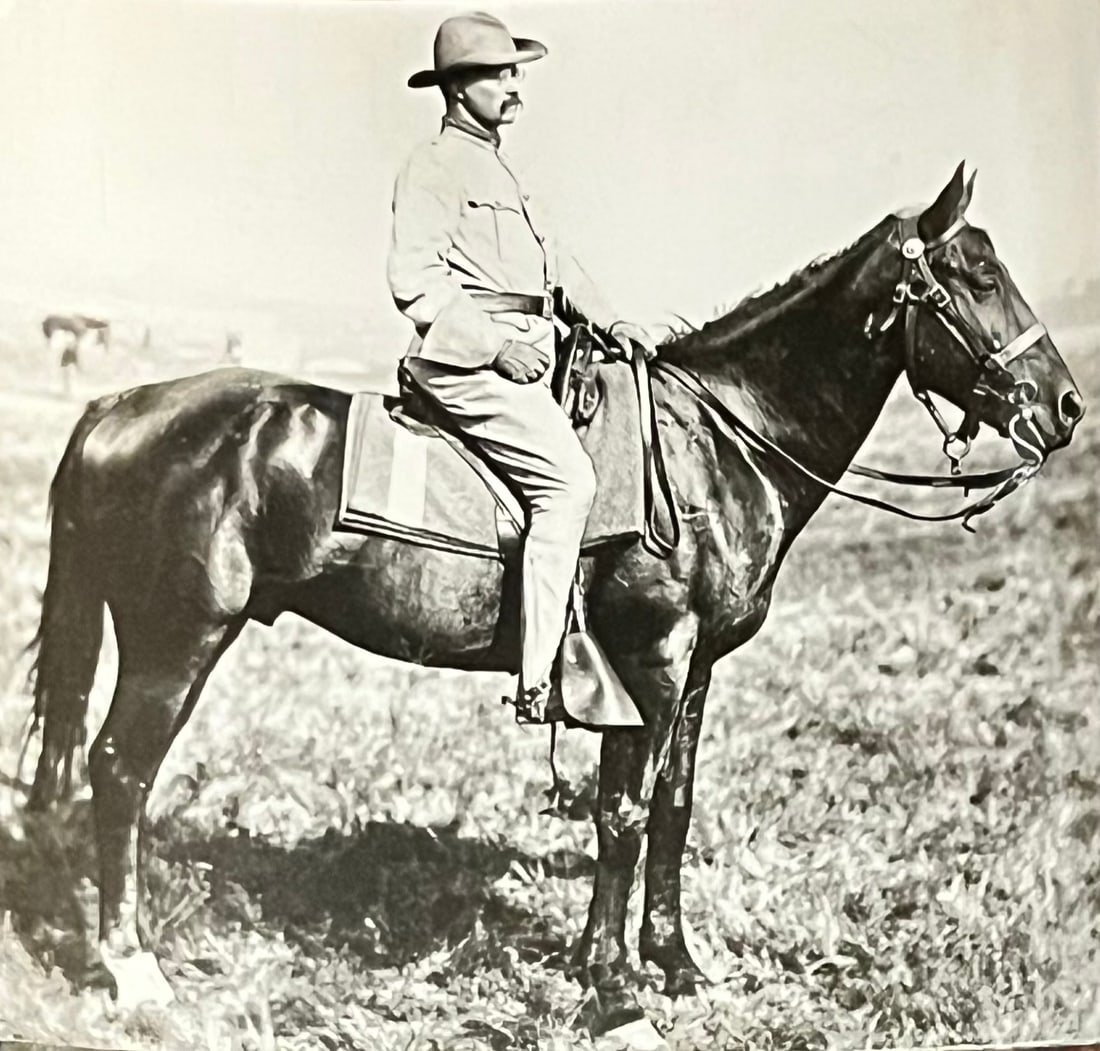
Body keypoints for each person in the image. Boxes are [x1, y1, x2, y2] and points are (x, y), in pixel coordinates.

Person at [387, 11, 655, 724]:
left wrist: (613, 319)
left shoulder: (502, 168)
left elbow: (556, 267)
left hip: (533, 358)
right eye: (499, 74)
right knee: (570, 485)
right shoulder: (433, 168)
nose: (514, 87)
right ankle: (543, 681)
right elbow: (415, 281)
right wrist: (494, 346)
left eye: (515, 72)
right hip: (468, 362)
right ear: (456, 87)